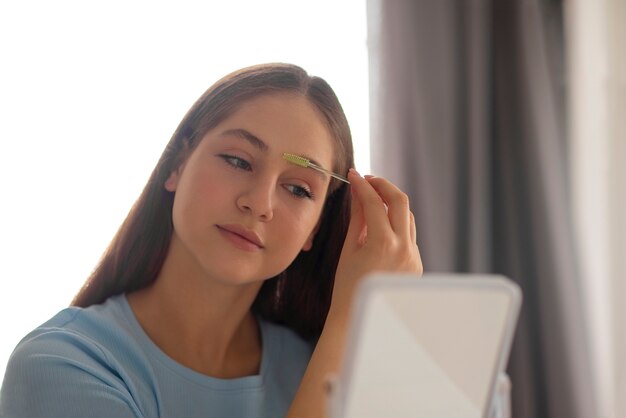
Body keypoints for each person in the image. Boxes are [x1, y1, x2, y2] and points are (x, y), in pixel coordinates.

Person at [0, 63, 422, 417]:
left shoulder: (325, 363)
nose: (259, 203)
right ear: (177, 166)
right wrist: (354, 315)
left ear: (316, 227)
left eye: (298, 189)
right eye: (238, 160)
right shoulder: (63, 364)